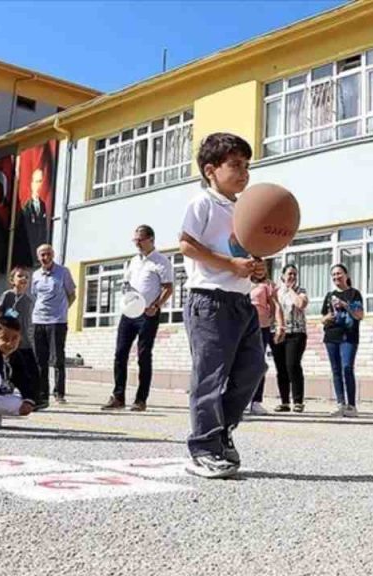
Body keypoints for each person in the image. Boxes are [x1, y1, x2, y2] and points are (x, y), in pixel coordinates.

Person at [179, 132, 266, 479]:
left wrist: (255, 268)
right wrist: (230, 266)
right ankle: (202, 448)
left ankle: (221, 431)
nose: (244, 172)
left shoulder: (243, 209)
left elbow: (243, 255)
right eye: (236, 165)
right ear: (211, 170)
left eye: (247, 166)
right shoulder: (203, 202)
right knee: (210, 377)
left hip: (241, 302)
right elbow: (186, 245)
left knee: (253, 368)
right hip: (209, 301)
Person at [103, 225, 173, 412]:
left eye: (140, 240)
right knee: (120, 353)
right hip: (129, 312)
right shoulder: (134, 261)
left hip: (148, 314)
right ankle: (118, 396)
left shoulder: (161, 261)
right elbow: (127, 283)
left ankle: (141, 399)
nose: (137, 244)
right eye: (135, 240)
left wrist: (156, 306)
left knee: (143, 355)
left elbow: (168, 288)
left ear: (151, 239)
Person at [31, 244, 77, 405]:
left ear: (53, 254)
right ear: (38, 257)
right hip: (39, 320)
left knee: (57, 359)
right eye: (42, 255)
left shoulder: (63, 272)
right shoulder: (36, 275)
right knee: (40, 359)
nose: (46, 257)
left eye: (48, 254)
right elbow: (35, 296)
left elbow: (72, 294)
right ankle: (42, 393)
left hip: (57, 321)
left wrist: (62, 310)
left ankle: (59, 393)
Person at [0, 266, 42, 409]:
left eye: (26, 277)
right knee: (8, 368)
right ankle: (2, 393)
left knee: (32, 369)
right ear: (12, 280)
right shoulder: (7, 296)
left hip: (24, 341)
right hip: (8, 340)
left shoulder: (29, 300)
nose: (23, 279)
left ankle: (34, 398)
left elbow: (30, 320)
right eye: (20, 276)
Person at [321, 264, 364, 417]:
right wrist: (327, 318)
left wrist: (345, 305)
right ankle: (340, 403)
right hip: (331, 336)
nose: (336, 277)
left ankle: (351, 406)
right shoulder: (329, 295)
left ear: (346, 275)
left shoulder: (354, 293)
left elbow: (359, 315)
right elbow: (323, 318)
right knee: (336, 370)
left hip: (349, 337)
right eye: (333, 275)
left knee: (347, 368)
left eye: (339, 274)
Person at [248, 260, 284, 416]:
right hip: (243, 327)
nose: (260, 270)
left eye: (263, 267)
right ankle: (239, 400)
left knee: (257, 364)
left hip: (262, 328)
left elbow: (275, 305)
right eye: (257, 267)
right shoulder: (243, 282)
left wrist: (280, 326)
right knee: (240, 364)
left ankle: (256, 401)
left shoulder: (268, 285)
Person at [272, 264, 308, 413]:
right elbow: (273, 309)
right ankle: (285, 402)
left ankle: (298, 401)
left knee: (292, 365)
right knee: (281, 368)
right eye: (289, 274)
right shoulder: (276, 292)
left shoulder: (301, 291)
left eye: (294, 274)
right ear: (282, 276)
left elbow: (301, 304)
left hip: (297, 333)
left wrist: (291, 290)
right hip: (279, 332)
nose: (292, 277)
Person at [20, 169, 51, 265]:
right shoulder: (26, 207)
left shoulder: (44, 205)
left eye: (41, 181)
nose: (39, 185)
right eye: (37, 181)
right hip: (29, 250)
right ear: (32, 183)